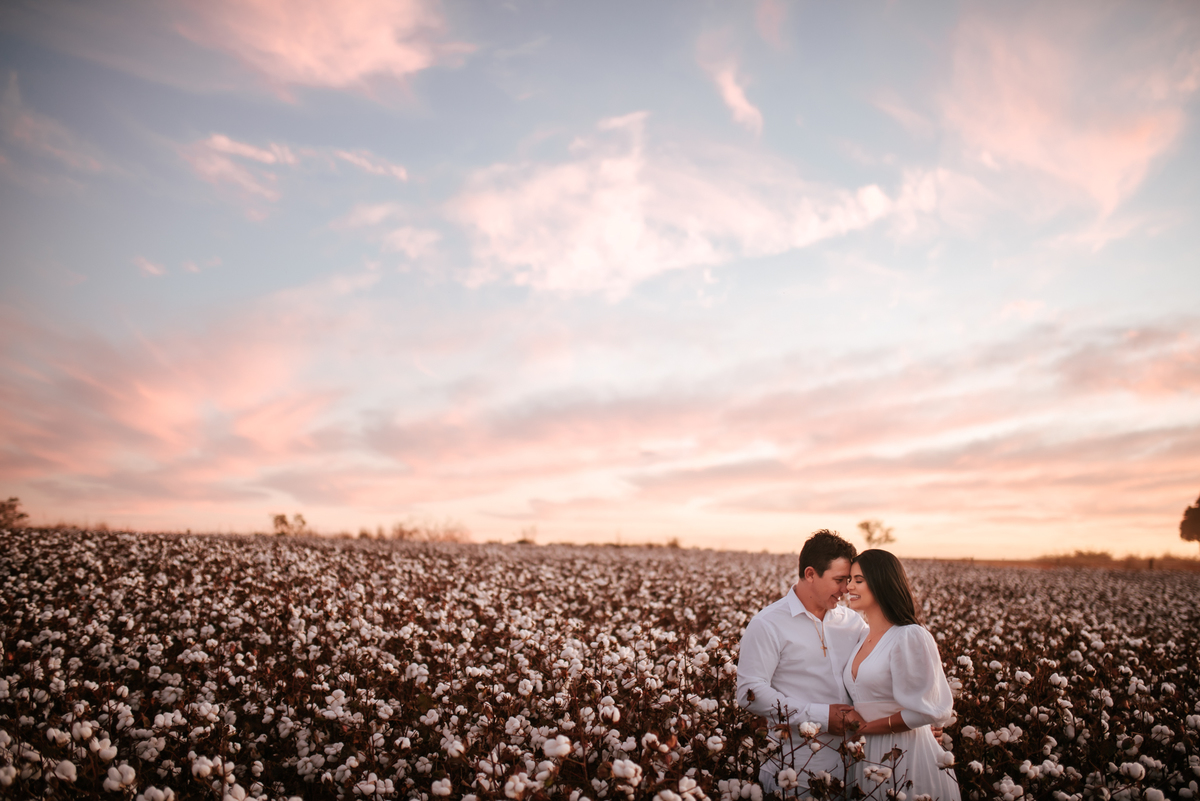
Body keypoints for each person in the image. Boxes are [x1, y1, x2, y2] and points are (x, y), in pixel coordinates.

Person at [736, 530, 868, 796]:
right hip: (795, 771)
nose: (845, 589)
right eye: (839, 580)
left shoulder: (853, 622)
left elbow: (880, 672)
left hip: (856, 768)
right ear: (810, 574)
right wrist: (820, 716)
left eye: (848, 581)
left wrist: (918, 723)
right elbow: (750, 693)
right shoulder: (768, 623)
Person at [843, 549, 960, 801]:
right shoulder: (862, 637)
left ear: (881, 583)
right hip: (866, 752)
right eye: (849, 579)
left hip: (905, 752)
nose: (849, 586)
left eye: (858, 580)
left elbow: (926, 710)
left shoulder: (909, 635)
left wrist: (866, 727)